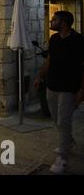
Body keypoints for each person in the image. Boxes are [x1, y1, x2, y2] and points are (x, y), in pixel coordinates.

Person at [34, 11, 84, 174]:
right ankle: (68, 141)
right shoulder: (54, 39)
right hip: (52, 85)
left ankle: (63, 158)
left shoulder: (79, 40)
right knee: (56, 118)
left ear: (63, 23)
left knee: (63, 120)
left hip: (69, 88)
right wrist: (40, 76)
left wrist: (81, 91)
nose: (51, 21)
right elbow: (49, 60)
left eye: (54, 19)